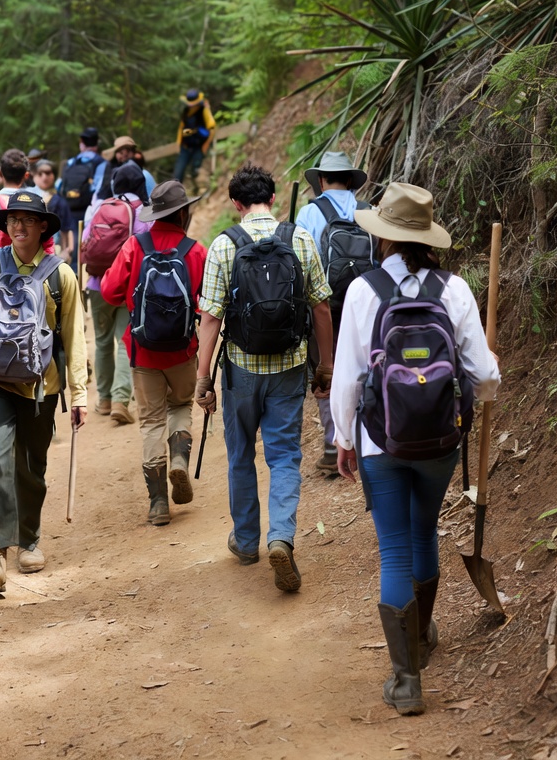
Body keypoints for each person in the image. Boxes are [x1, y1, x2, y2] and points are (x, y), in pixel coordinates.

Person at [331, 182, 500, 716]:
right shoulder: (454, 290)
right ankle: (422, 638)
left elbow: (349, 379)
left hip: (380, 440)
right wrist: (482, 394)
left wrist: (343, 437)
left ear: (383, 237)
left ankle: (406, 679)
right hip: (440, 441)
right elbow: (484, 374)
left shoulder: (363, 291)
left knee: (395, 548)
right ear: (428, 238)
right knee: (424, 531)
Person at [194, 163, 334, 593]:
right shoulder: (300, 239)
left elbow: (211, 317)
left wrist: (202, 379)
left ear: (236, 204)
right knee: (285, 456)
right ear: (272, 199)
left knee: (240, 455)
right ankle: (282, 538)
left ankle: (248, 540)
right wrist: (324, 366)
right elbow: (322, 308)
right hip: (289, 369)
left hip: (239, 371)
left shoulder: (224, 245)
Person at [0, 194, 88, 592]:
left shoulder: (60, 276)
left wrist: (78, 393)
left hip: (40, 387)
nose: (19, 227)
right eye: (13, 219)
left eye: (28, 220)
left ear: (43, 227)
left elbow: (74, 336)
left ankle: (29, 540)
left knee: (32, 469)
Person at [100, 180, 207, 525]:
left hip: (143, 352)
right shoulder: (195, 251)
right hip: (183, 351)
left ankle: (159, 503)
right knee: (180, 406)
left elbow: (109, 291)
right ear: (184, 213)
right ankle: (179, 457)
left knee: (150, 422)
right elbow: (209, 303)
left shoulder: (135, 246)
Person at [295, 150, 370, 475]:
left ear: (322, 180)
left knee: (326, 368)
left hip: (324, 306)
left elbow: (299, 264)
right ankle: (367, 438)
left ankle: (331, 443)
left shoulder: (309, 213)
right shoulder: (369, 212)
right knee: (366, 366)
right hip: (366, 301)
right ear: (351, 181)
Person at [82, 161, 151, 426]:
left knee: (101, 341)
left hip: (97, 285)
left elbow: (86, 242)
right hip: (125, 286)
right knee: (125, 342)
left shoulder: (101, 207)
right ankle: (122, 400)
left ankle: (104, 399)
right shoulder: (143, 211)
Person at [60, 126, 106, 230]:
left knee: (72, 243)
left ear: (82, 142)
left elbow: (60, 185)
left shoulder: (71, 162)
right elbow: (100, 189)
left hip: (69, 210)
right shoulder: (101, 163)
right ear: (97, 143)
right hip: (89, 212)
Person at [32, 158, 76, 261]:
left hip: (55, 251)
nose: (44, 177)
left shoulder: (59, 201)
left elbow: (68, 226)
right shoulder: (28, 196)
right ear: (34, 176)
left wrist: (68, 249)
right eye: (40, 173)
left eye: (48, 173)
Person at [174, 89, 216, 183]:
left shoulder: (204, 110)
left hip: (198, 147)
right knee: (178, 173)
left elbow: (212, 128)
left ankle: (196, 189)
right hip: (185, 147)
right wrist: (178, 143)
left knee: (195, 171)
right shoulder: (185, 112)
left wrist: (205, 146)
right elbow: (181, 128)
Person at [94, 135, 137, 201]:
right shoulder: (110, 167)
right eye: (120, 152)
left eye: (128, 151)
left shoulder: (134, 165)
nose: (124, 155)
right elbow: (105, 191)